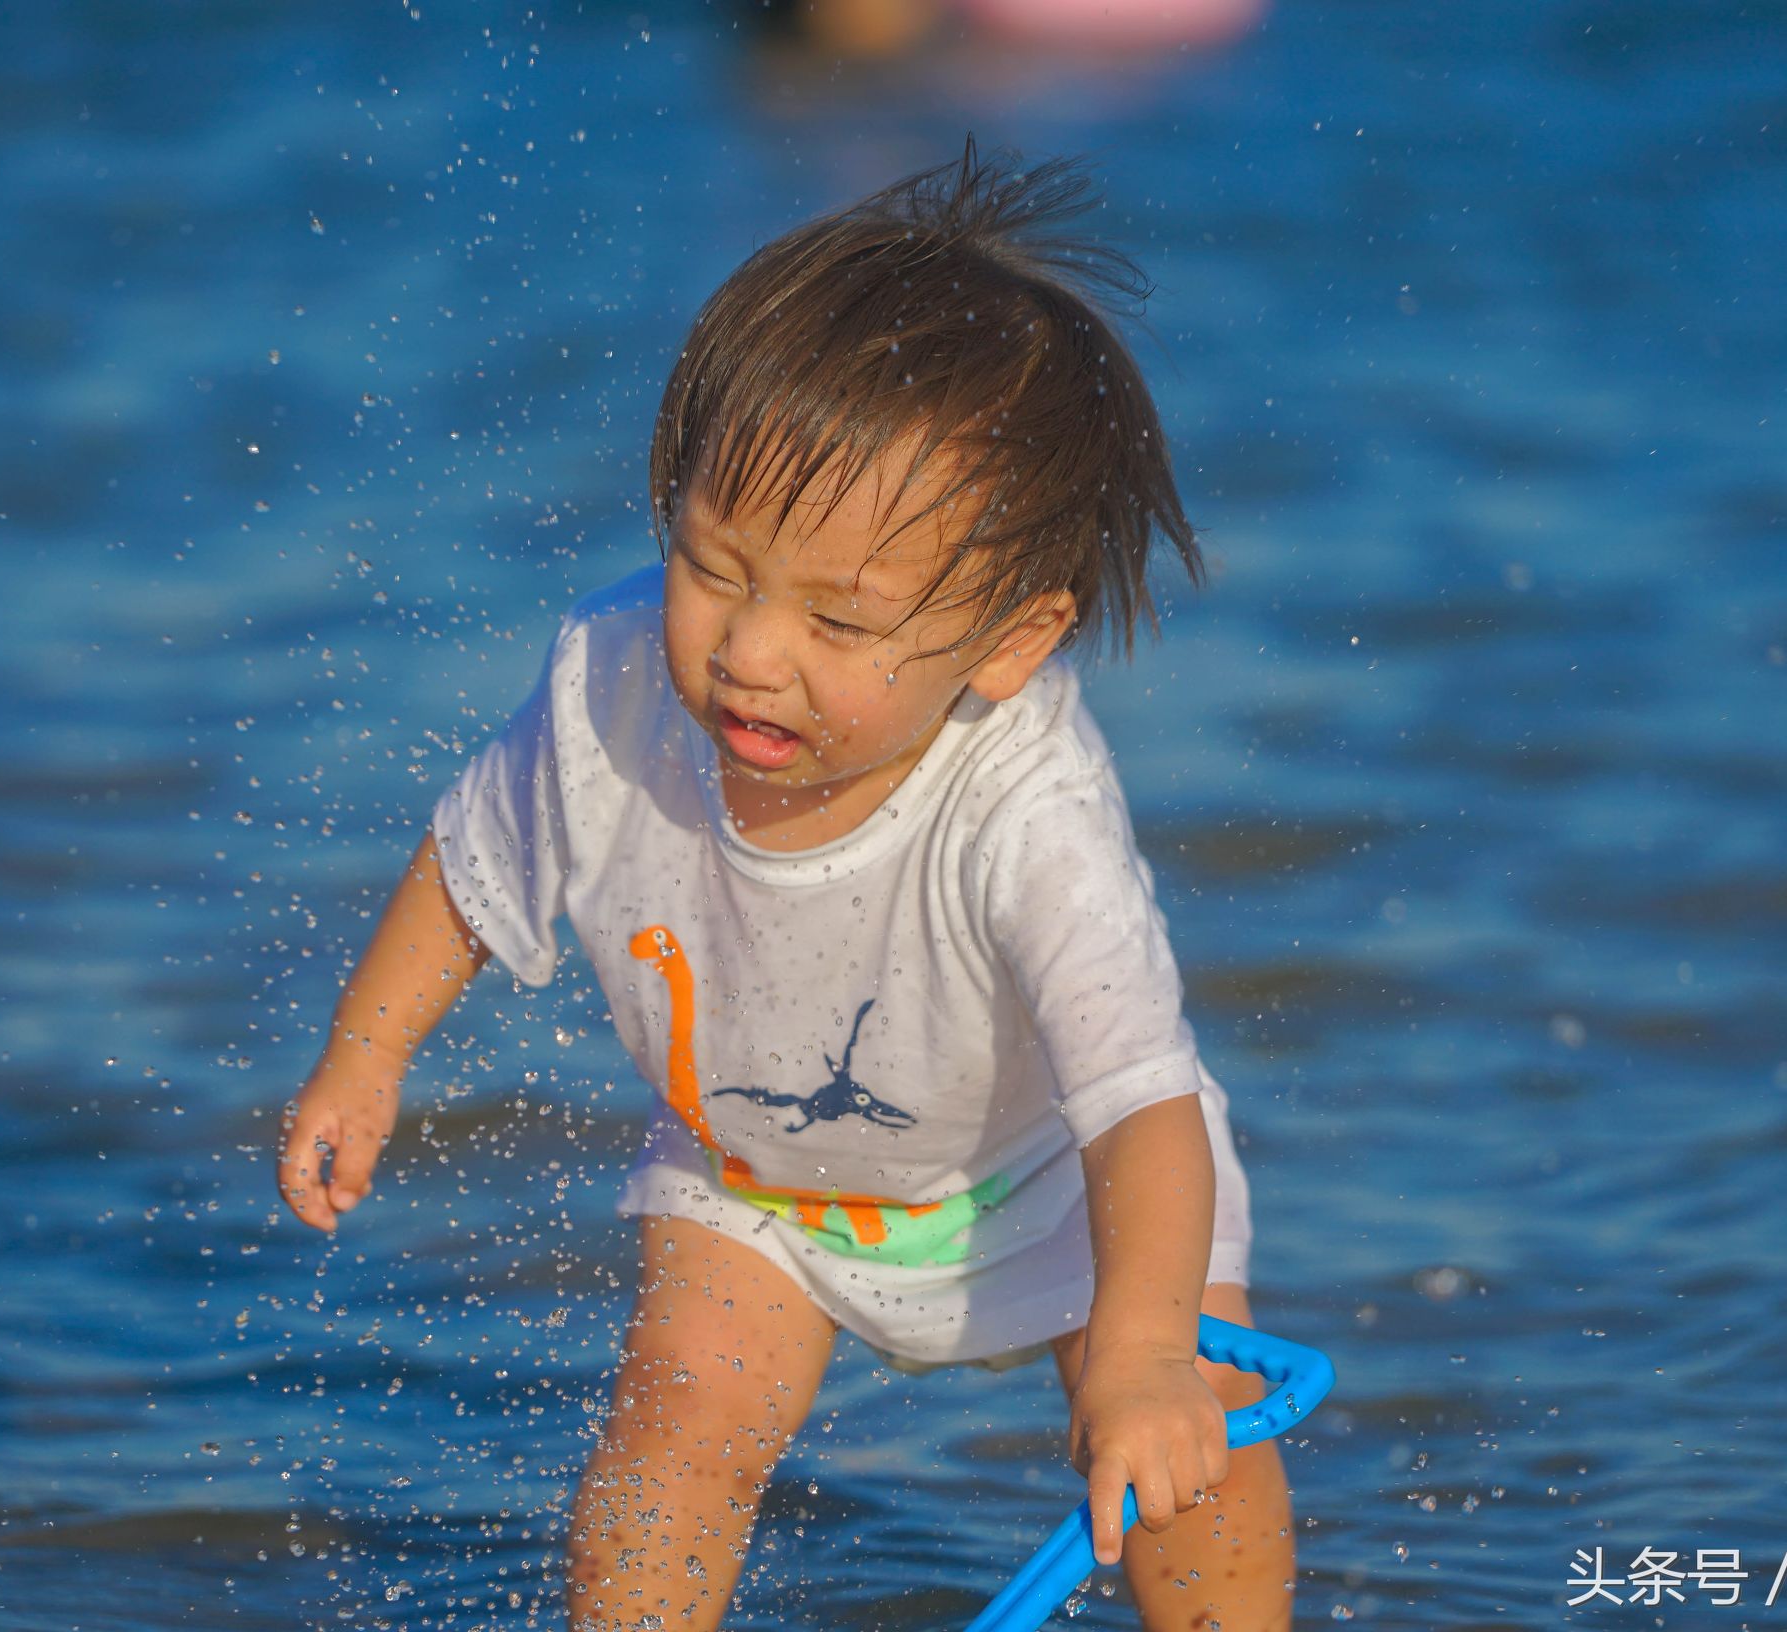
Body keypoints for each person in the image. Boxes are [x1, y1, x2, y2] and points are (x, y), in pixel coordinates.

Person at [276, 137, 1294, 1631]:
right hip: (753, 1174)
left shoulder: (1026, 809)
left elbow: (1143, 1106)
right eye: (714, 567)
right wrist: (367, 1054)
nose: (752, 651)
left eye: (839, 620)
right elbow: (470, 863)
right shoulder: (611, 688)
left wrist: (1142, 1356)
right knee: (675, 1428)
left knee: (1186, 1439)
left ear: (1011, 641)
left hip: (1052, 1185)